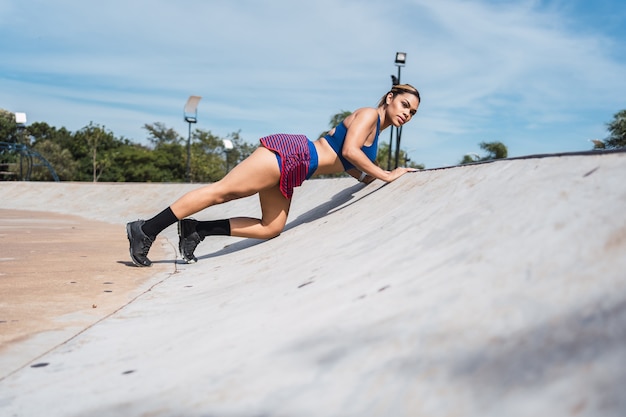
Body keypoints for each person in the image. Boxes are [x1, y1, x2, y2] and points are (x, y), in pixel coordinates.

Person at [127, 84, 421, 266]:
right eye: (404, 105)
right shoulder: (369, 114)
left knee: (271, 227)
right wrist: (387, 175)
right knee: (222, 192)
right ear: (390, 97)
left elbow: (352, 165)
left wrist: (378, 178)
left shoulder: (376, 133)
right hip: (292, 155)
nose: (407, 114)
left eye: (412, 112)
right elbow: (351, 151)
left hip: (295, 170)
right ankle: (147, 229)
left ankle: (197, 230)